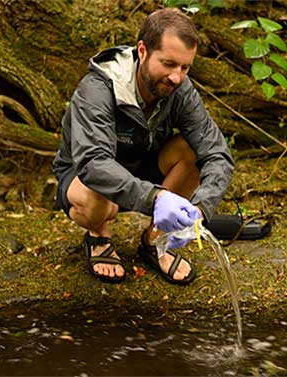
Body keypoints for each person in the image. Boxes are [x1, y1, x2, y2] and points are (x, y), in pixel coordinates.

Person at [52, 8, 234, 285]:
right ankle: (99, 237)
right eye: (169, 64)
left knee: (193, 152)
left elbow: (217, 154)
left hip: (142, 166)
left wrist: (200, 209)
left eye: (185, 67)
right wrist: (157, 198)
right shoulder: (98, 89)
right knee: (98, 201)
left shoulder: (180, 90)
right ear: (142, 51)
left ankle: (157, 241)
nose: (177, 77)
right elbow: (93, 163)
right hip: (87, 176)